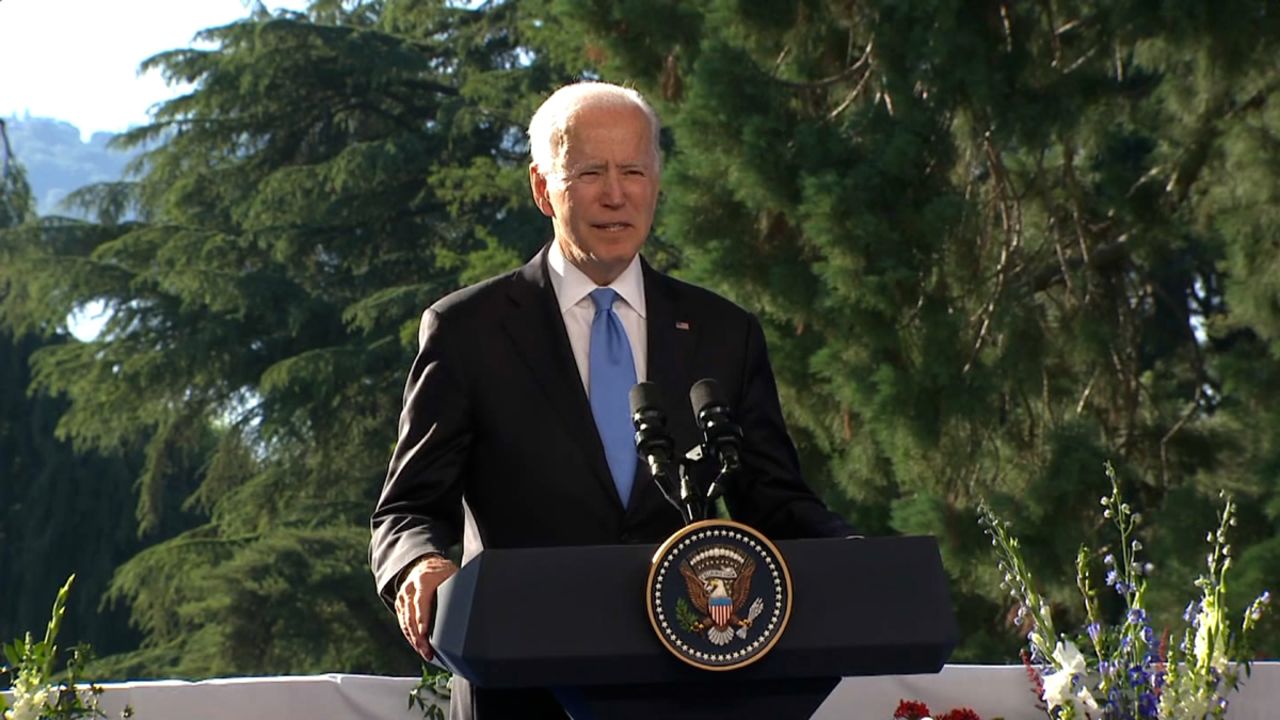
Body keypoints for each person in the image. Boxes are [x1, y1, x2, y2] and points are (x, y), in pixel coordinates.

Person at [369, 81, 853, 720]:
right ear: (543, 188)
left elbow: (776, 498)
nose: (615, 194)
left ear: (657, 184)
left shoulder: (722, 333)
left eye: (633, 171)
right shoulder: (468, 331)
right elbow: (405, 510)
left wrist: (860, 562)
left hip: (690, 680)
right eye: (590, 172)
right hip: (520, 684)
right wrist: (421, 566)